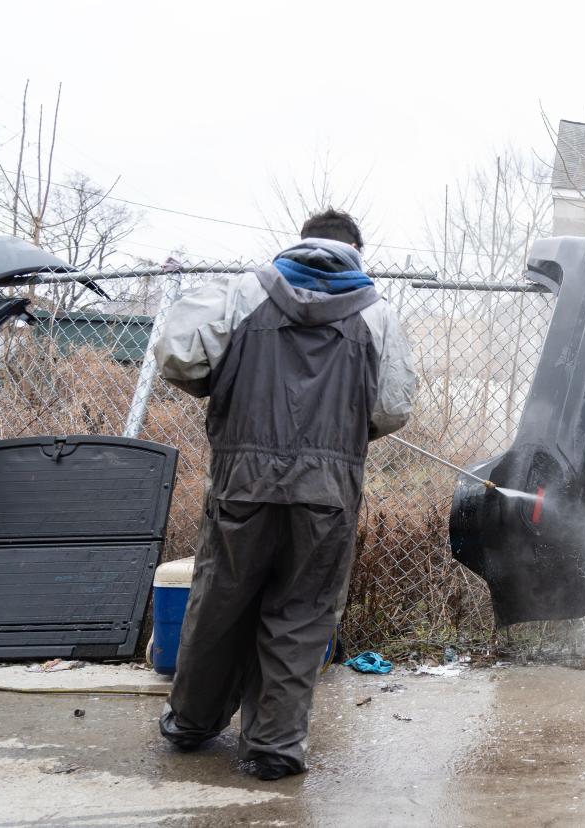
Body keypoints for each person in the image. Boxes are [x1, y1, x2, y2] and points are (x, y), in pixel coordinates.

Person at [153, 209, 417, 780]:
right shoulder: (377, 313)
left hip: (240, 483)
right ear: (356, 251)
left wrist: (221, 386)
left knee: (220, 599)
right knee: (302, 612)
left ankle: (192, 723)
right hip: (327, 491)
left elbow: (180, 358)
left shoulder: (244, 291)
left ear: (301, 242)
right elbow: (391, 407)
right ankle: (273, 747)